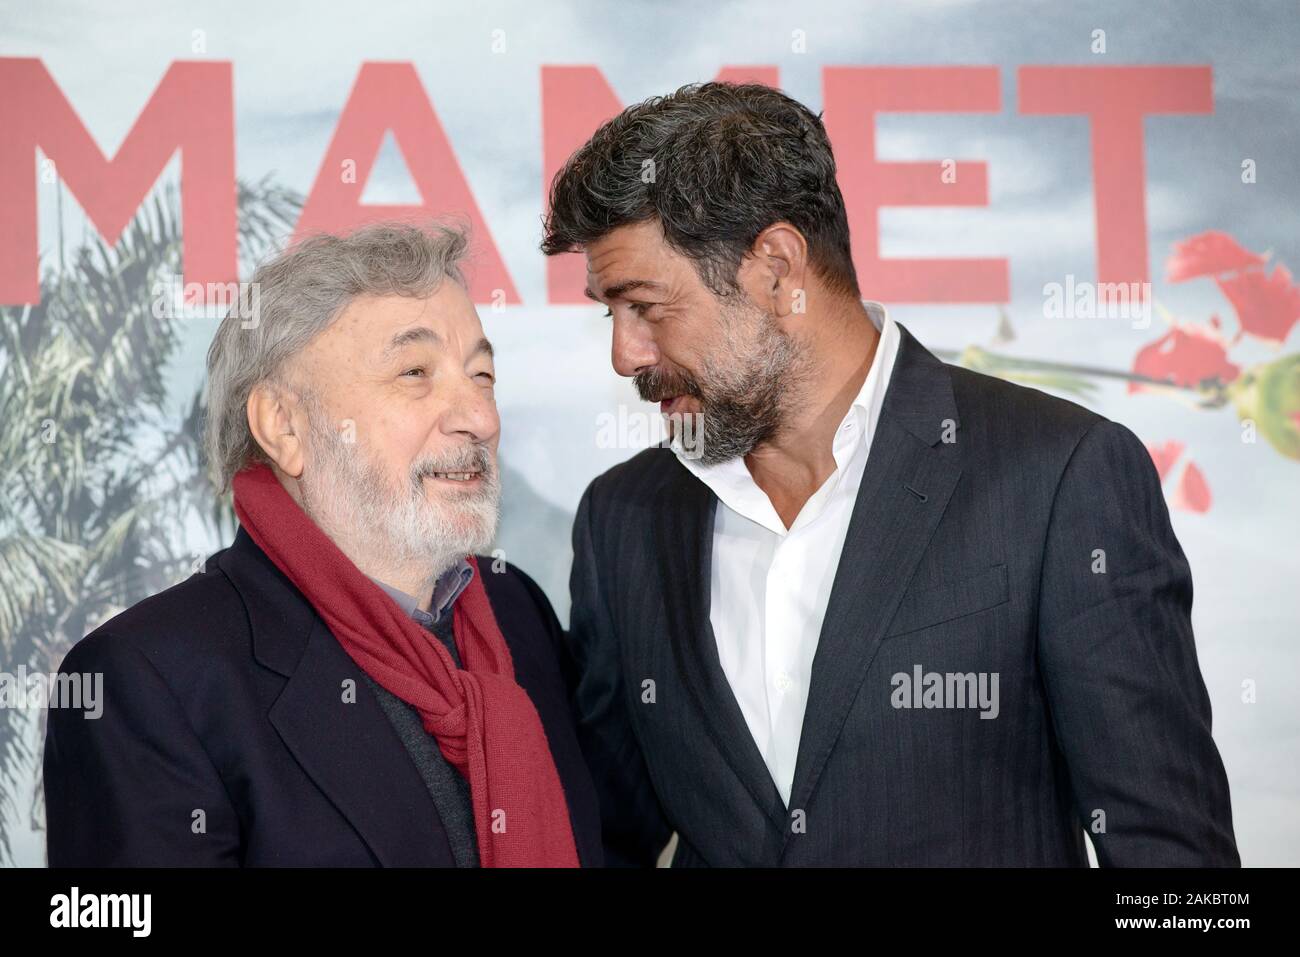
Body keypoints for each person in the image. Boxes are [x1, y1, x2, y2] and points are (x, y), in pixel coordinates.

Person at [541, 81, 1239, 866]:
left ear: (776, 268)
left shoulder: (1058, 477)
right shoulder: (623, 519)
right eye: (611, 314)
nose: (624, 355)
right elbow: (603, 840)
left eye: (645, 306)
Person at [44, 222, 601, 867]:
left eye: (482, 374)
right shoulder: (147, 681)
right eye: (415, 372)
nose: (479, 416)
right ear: (284, 427)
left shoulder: (515, 612)